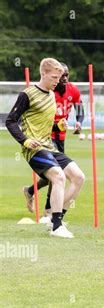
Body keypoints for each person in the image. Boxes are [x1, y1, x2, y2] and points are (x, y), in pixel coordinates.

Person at [6, 58, 85, 238]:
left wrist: (59, 127)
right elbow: (10, 121)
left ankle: (56, 219)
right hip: (33, 149)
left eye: (60, 77)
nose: (58, 81)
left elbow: (46, 126)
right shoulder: (27, 95)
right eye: (55, 77)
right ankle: (56, 226)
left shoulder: (51, 94)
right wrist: (25, 141)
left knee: (79, 177)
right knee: (58, 176)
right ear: (43, 74)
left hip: (50, 145)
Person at [22, 63, 84, 216]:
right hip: (45, 136)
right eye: (61, 76)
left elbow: (80, 109)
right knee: (56, 175)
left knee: (55, 175)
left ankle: (31, 191)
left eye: (66, 75)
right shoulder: (49, 90)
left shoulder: (73, 90)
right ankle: (50, 211)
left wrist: (79, 122)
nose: (64, 79)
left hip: (60, 135)